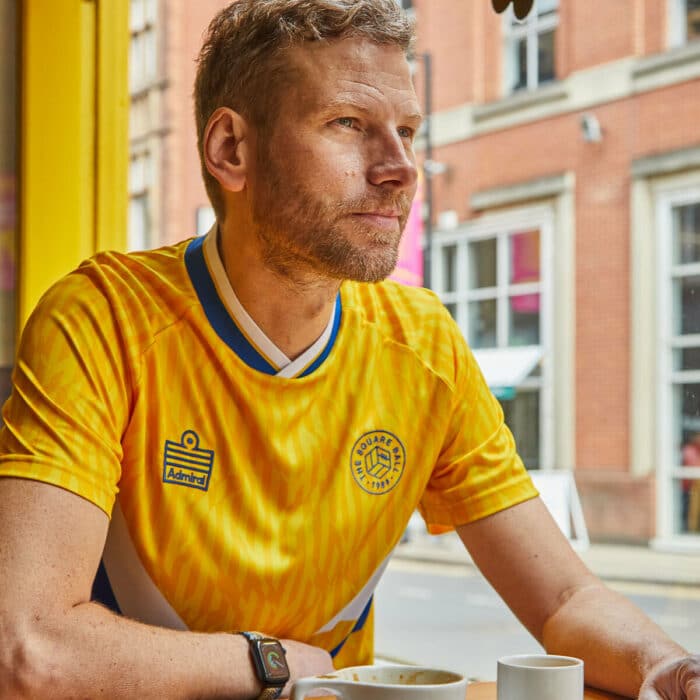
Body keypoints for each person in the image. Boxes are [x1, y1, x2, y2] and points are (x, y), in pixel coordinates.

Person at [0, 1, 698, 698]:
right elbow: (30, 647)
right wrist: (271, 663)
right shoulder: (101, 320)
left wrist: (669, 667)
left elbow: (565, 601)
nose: (400, 169)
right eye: (348, 125)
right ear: (231, 151)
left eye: (407, 132)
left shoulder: (422, 344)